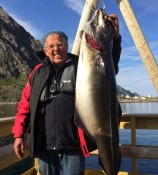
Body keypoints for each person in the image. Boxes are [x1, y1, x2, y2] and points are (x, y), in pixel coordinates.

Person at [12, 13, 122, 175]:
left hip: (73, 144)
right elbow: (24, 107)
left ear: (67, 45)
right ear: (45, 50)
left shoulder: (81, 65)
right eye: (51, 46)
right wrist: (18, 135)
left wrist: (115, 37)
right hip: (44, 144)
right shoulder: (36, 74)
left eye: (60, 44)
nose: (56, 49)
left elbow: (108, 65)